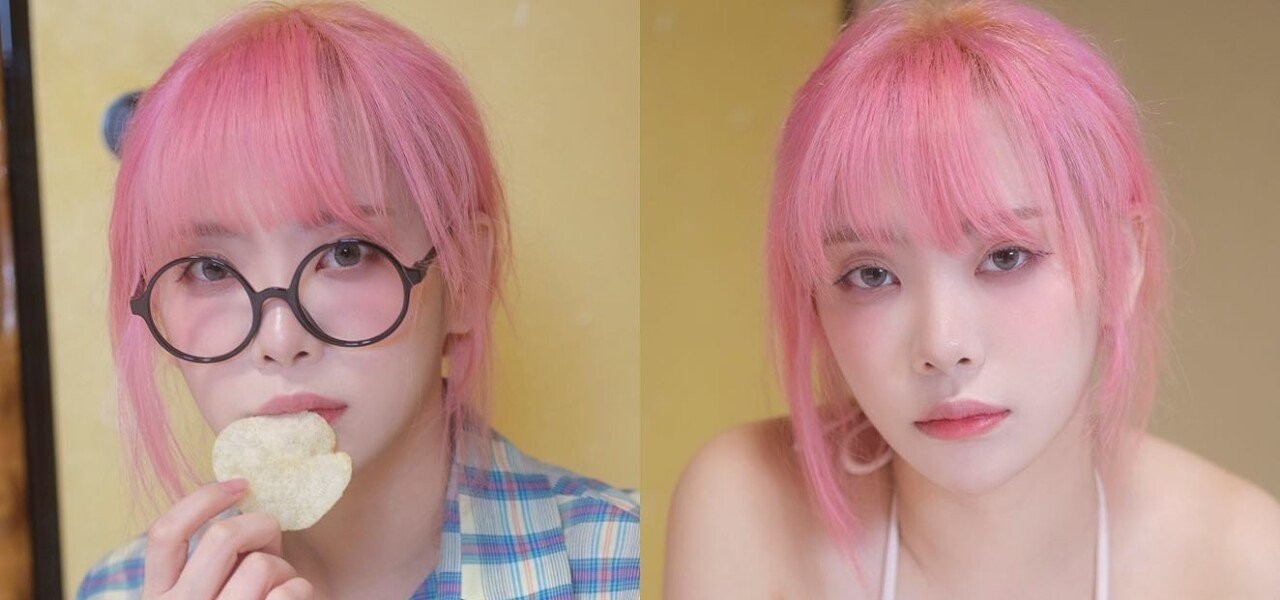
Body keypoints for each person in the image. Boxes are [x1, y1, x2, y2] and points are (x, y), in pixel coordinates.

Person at [666, 0, 1280, 598]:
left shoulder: (1245, 563)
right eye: (871, 274)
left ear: (1122, 262)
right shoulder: (746, 509)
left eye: (1006, 256)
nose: (943, 346)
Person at [74, 3, 639, 599]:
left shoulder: (630, 568)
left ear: (465, 276)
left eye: (346, 253)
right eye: (209, 269)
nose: (280, 340)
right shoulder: (117, 590)